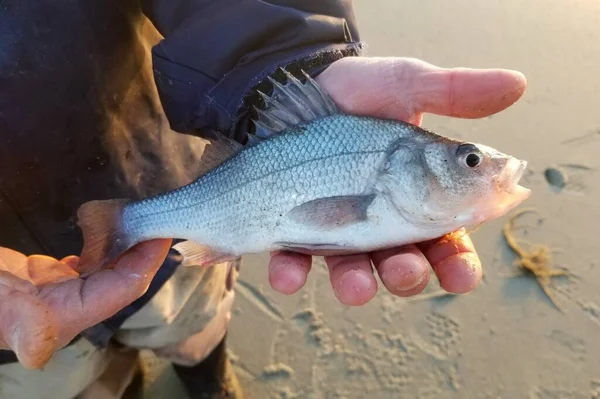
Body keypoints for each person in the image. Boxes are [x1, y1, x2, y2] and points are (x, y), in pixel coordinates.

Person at [0, 1, 527, 398]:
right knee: (66, 372)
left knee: (192, 320)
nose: (486, 167)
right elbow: (318, 215)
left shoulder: (389, 166)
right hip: (16, 322)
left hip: (143, 165)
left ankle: (204, 373)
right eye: (471, 161)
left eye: (469, 159)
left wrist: (274, 60)